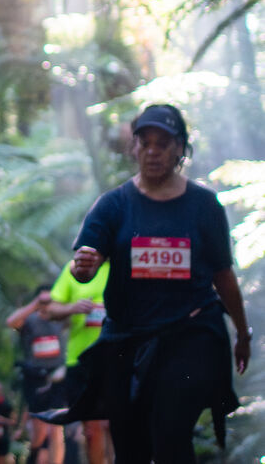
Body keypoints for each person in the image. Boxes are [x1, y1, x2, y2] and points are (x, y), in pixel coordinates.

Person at [64, 103, 252, 464]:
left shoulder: (204, 206)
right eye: (144, 142)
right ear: (134, 147)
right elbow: (86, 263)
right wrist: (82, 268)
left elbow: (223, 275)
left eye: (162, 143)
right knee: (130, 444)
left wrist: (242, 334)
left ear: (180, 148)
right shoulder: (113, 205)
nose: (152, 151)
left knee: (170, 432)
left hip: (190, 333)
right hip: (126, 338)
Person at [46, 260, 110, 464]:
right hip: (81, 360)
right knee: (93, 428)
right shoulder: (77, 267)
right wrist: (73, 307)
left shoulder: (126, 263)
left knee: (116, 425)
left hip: (121, 358)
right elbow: (51, 309)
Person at [6, 284, 66, 464]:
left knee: (56, 428)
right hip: (35, 378)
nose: (47, 304)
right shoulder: (29, 320)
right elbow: (11, 322)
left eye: (50, 300)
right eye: (43, 300)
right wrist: (35, 304)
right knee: (39, 431)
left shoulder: (60, 319)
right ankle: (32, 455)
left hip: (58, 376)